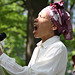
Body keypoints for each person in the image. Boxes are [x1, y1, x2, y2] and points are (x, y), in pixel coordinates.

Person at [0, 0, 73, 75]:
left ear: (54, 26)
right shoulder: (37, 48)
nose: (35, 19)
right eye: (37, 16)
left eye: (41, 17)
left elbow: (30, 74)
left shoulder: (57, 47)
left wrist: (2, 56)